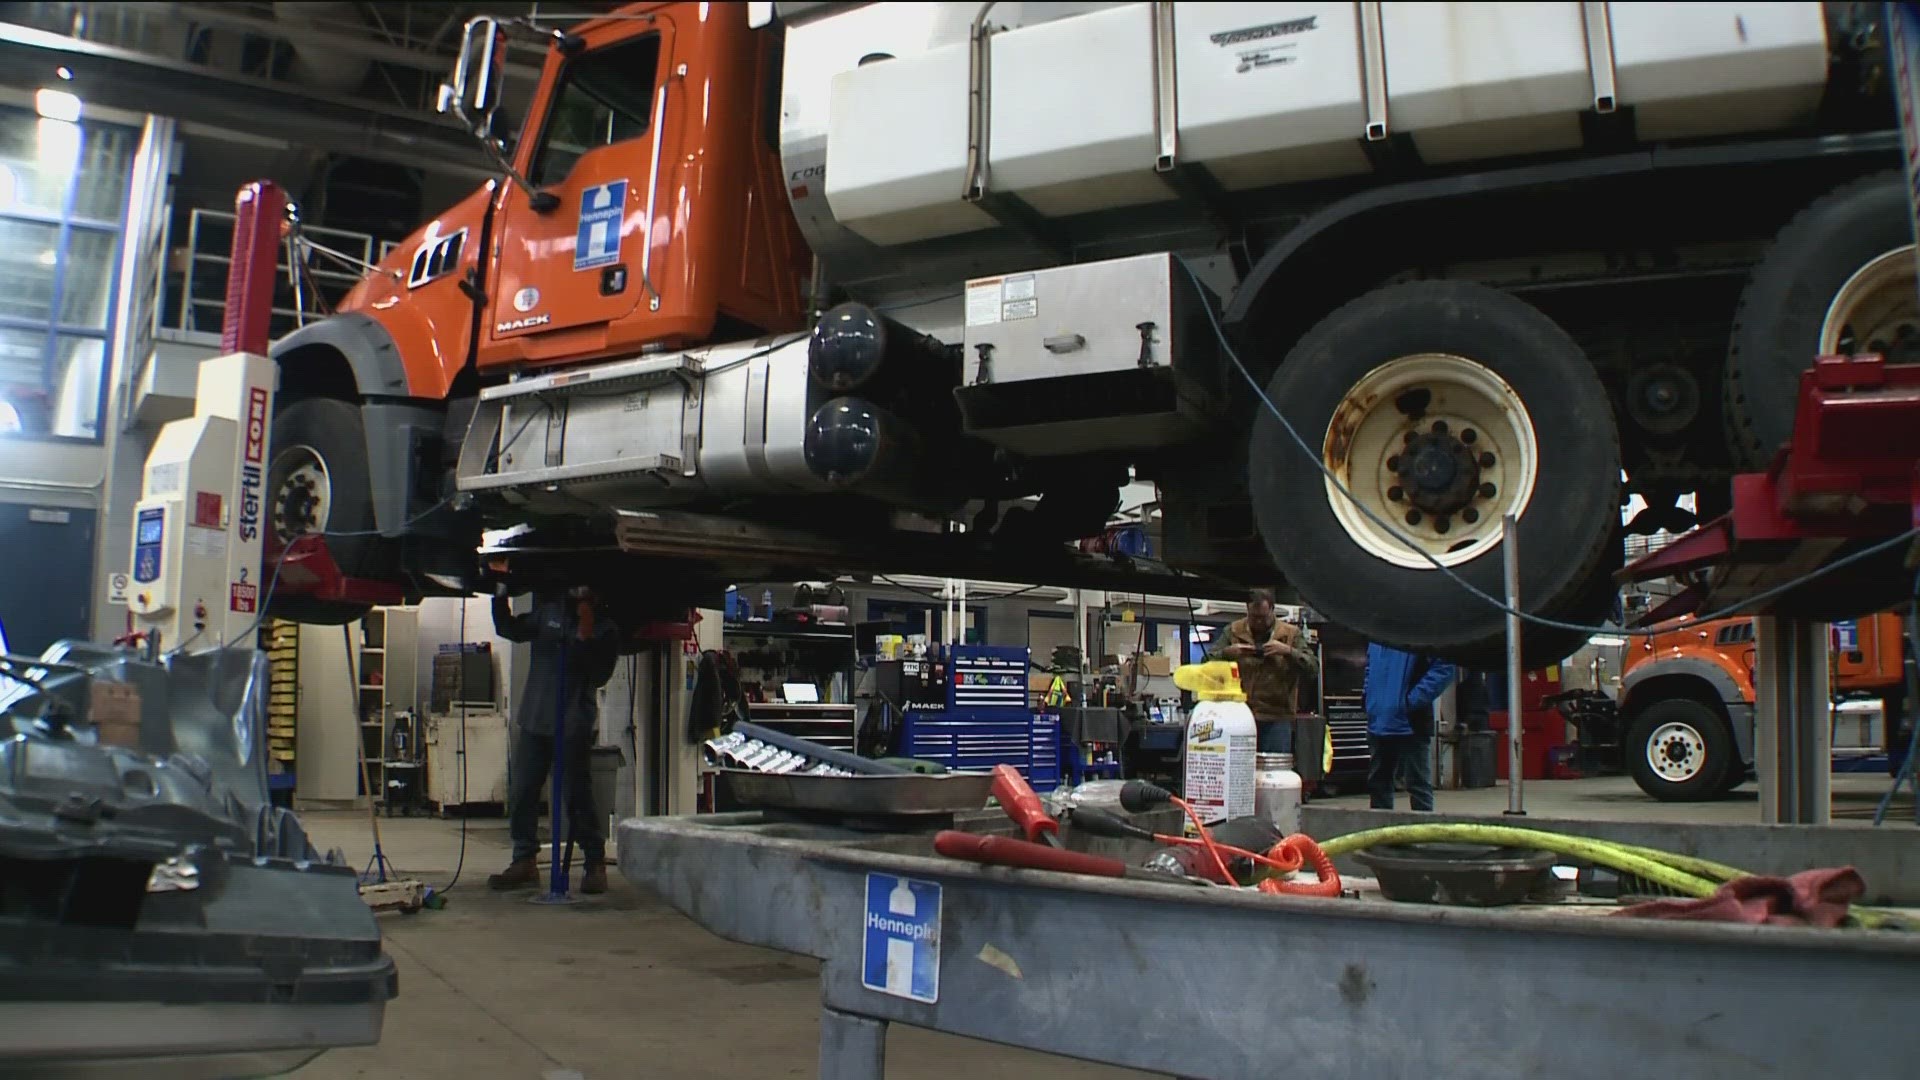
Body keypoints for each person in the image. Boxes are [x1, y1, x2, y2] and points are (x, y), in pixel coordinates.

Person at [488, 585, 620, 894]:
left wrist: (585, 625)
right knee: (522, 791)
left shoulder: (606, 629)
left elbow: (598, 675)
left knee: (576, 796)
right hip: (536, 717)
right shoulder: (549, 614)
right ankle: (524, 860)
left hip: (572, 721)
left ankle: (594, 861)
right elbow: (509, 628)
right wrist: (499, 594)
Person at [1210, 589, 1319, 756]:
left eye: (1263, 617)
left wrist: (1288, 651)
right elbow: (1206, 663)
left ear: (1273, 610)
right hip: (1239, 716)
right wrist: (1227, 653)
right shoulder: (1233, 631)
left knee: (1274, 774)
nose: (1259, 622)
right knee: (1239, 771)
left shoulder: (1291, 634)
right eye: (1254, 617)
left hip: (1277, 718)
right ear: (1247, 610)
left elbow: (1313, 668)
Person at [1362, 642, 1457, 811]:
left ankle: (1423, 834)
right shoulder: (1378, 633)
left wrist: (1412, 701)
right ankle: (1382, 833)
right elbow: (1370, 667)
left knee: (1417, 785)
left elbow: (1444, 667)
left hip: (1411, 721)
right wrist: (1369, 698)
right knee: (1379, 785)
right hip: (1381, 718)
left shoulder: (1419, 631)